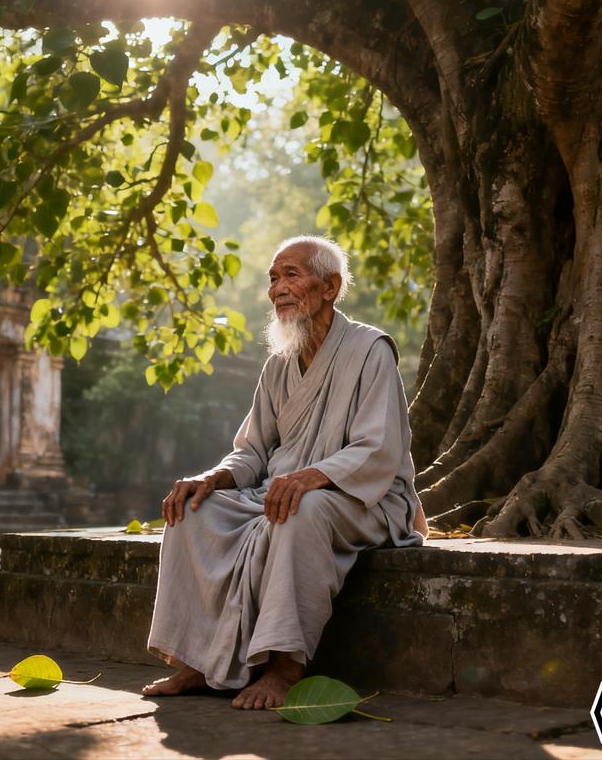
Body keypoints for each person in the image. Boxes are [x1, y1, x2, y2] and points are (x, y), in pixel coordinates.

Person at [142, 235, 427, 710]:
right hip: (281, 491)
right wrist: (212, 478)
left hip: (365, 498)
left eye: (291, 275)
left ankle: (284, 668)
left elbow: (379, 448)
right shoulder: (278, 365)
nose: (278, 289)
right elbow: (252, 451)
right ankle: (198, 661)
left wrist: (313, 475)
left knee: (301, 508)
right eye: (273, 278)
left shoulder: (370, 349)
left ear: (330, 286)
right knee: (192, 511)